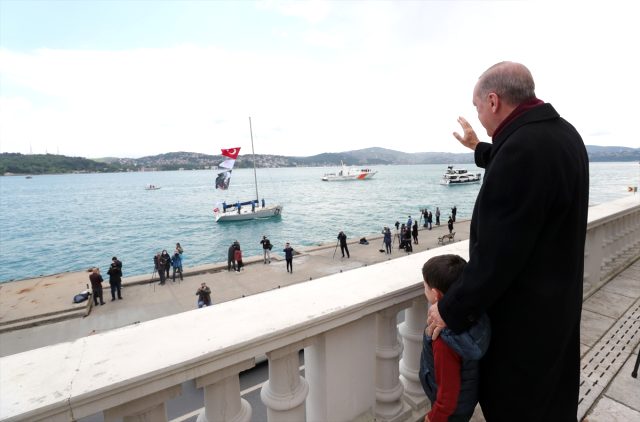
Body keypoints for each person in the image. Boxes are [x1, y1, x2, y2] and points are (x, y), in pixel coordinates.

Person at [426, 61, 589, 420]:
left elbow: (500, 255)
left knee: (520, 406)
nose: (478, 113)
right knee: (553, 401)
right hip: (558, 307)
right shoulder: (564, 134)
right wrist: (480, 148)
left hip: (525, 323)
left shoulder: (522, 150)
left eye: (477, 105)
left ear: (494, 100)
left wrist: (451, 308)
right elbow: (528, 181)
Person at [420, 254, 490, 422]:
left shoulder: (444, 339)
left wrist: (434, 418)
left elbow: (447, 395)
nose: (424, 289)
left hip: (449, 413)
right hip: (466, 401)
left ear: (436, 295)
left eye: (425, 286)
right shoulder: (474, 316)